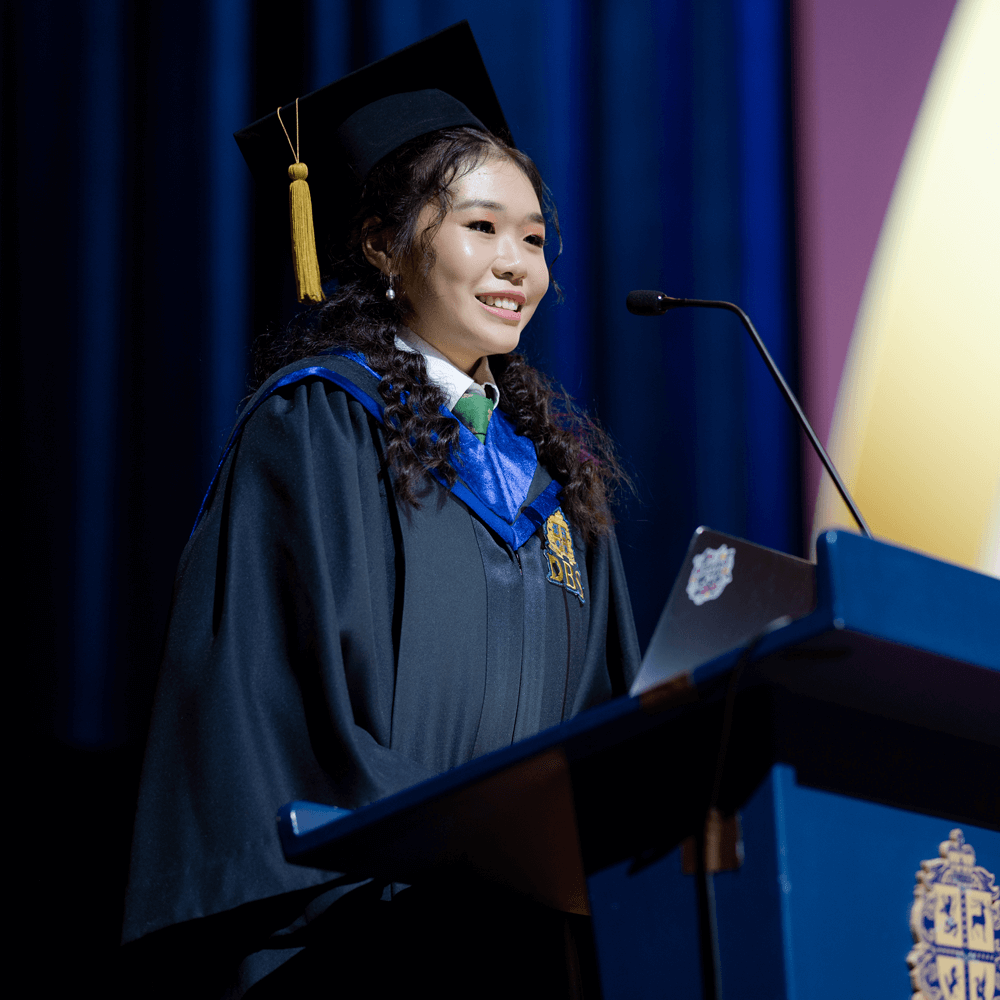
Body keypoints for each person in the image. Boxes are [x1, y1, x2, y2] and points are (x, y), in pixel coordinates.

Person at [122, 22, 639, 998]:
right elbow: (266, 699)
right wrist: (445, 843)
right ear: (380, 246)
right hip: (365, 935)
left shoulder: (551, 484)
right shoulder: (319, 428)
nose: (516, 263)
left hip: (525, 943)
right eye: (481, 227)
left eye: (533, 239)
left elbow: (604, 714)